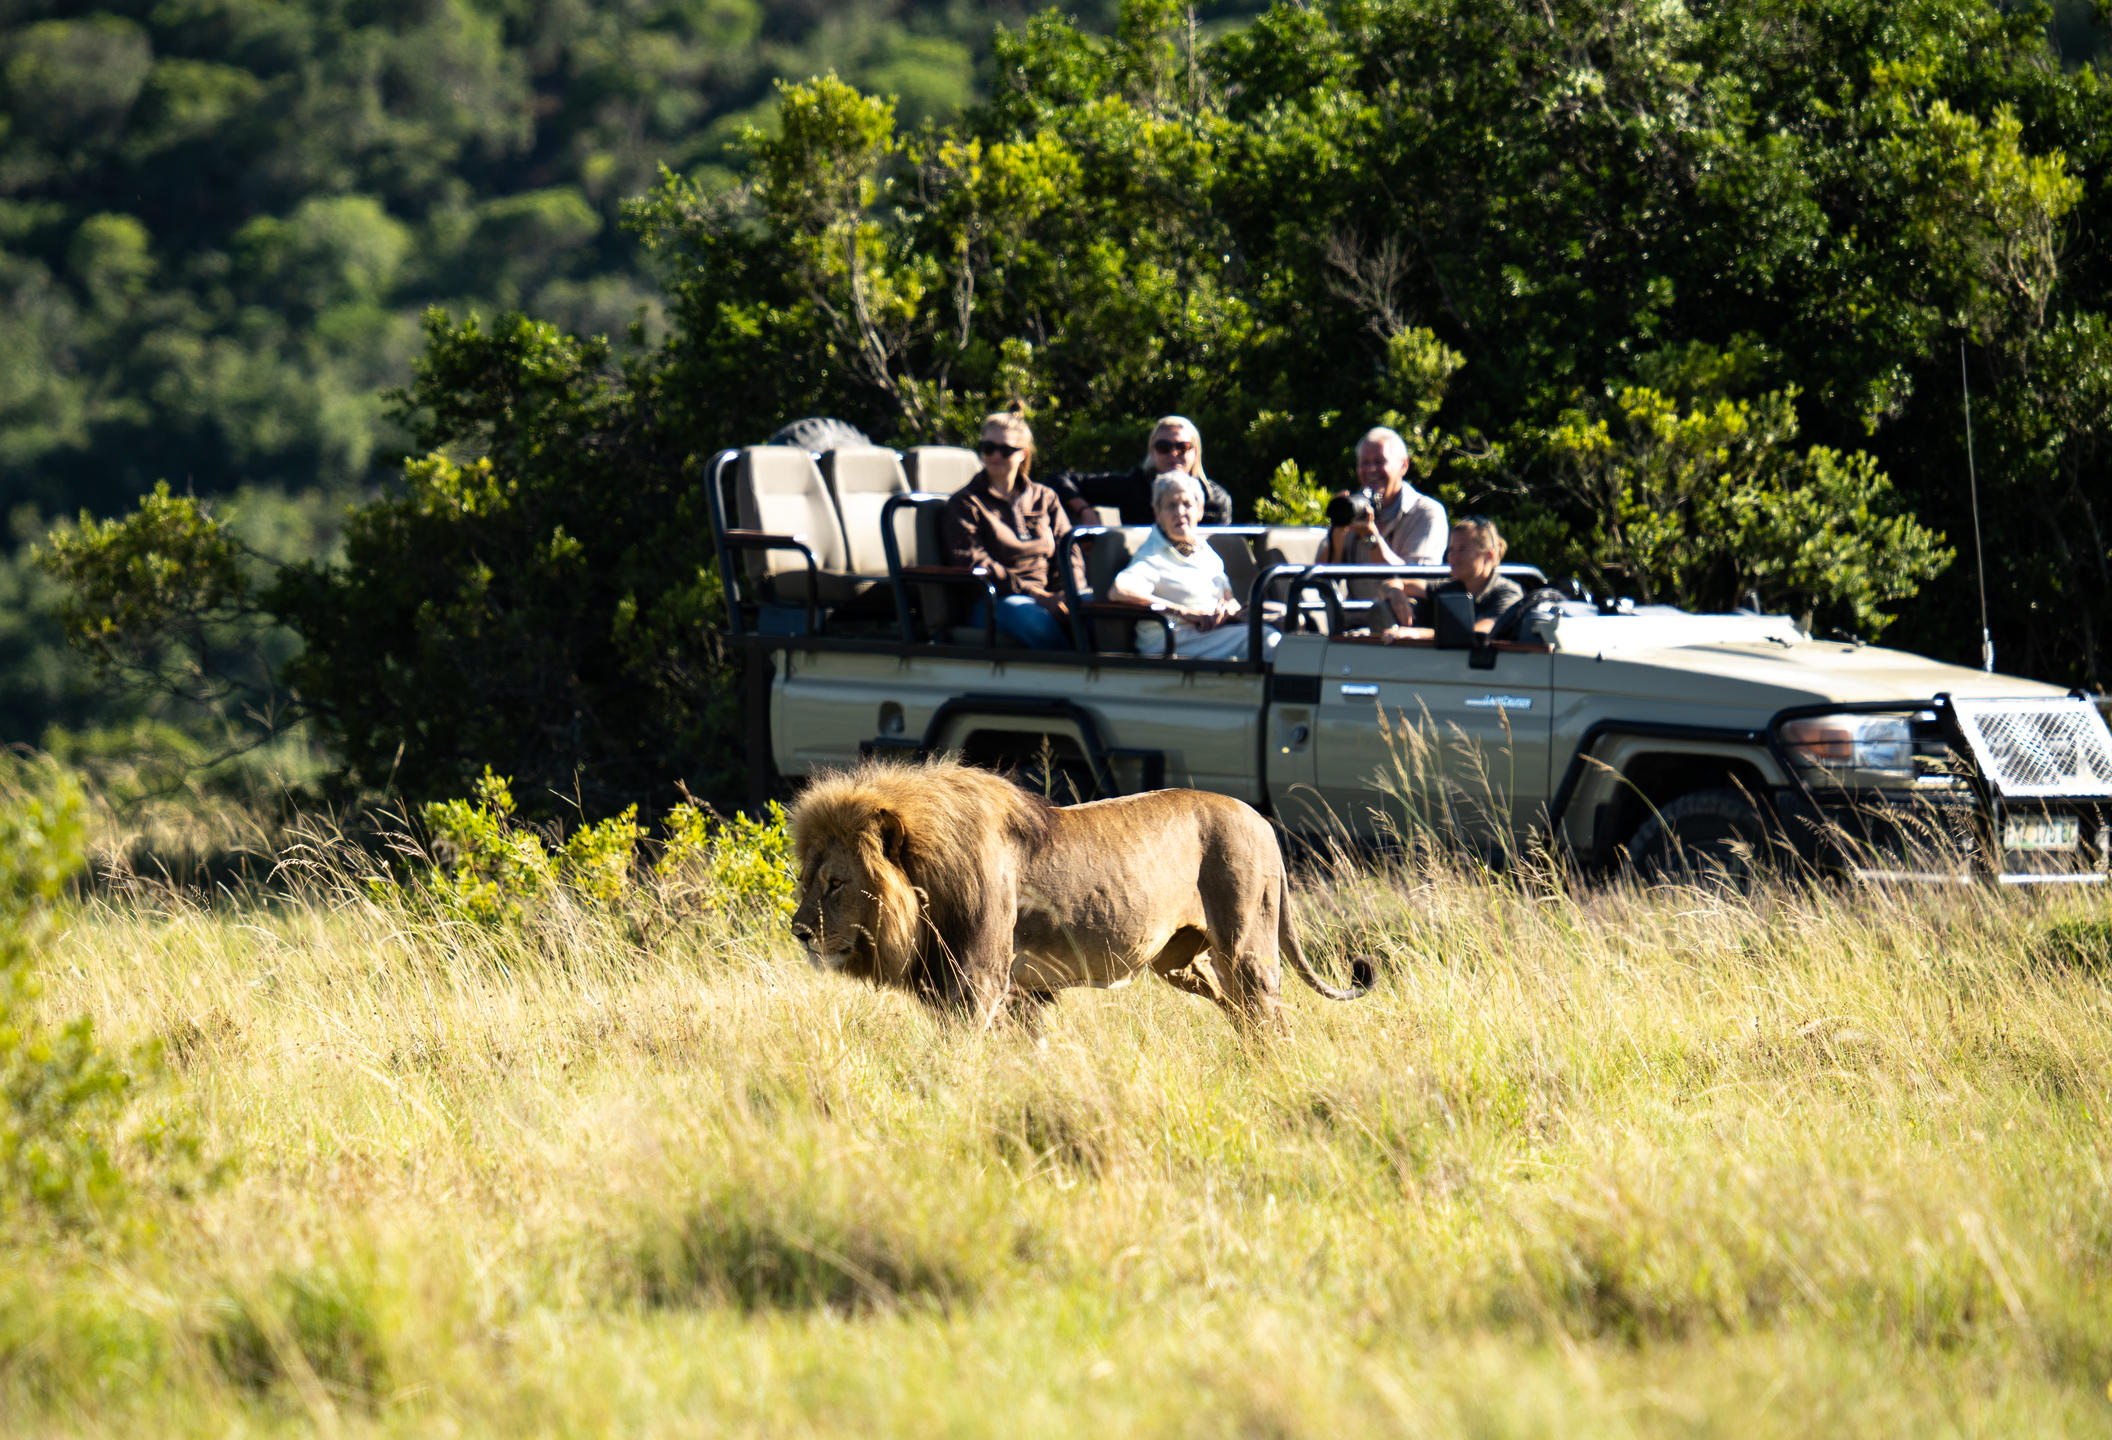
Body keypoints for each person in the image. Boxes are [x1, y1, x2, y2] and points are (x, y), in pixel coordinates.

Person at [940, 411, 1085, 650]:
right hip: (994, 600)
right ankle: (1078, 679)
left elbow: (1069, 550)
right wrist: (1037, 595)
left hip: (1050, 593)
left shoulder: (1045, 497)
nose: (995, 455)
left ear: (1023, 455)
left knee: (1097, 615)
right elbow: (973, 561)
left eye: (1005, 450)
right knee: (1035, 622)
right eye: (988, 448)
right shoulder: (965, 503)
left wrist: (1069, 592)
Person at [1107, 473, 1276, 661]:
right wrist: (1183, 612)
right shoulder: (1152, 554)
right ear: (1157, 513)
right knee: (1267, 640)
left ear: (1200, 510)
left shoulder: (1203, 550)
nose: (1180, 512)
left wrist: (1228, 608)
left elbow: (1229, 598)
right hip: (1171, 641)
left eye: (1187, 504)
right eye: (1171, 505)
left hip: (1212, 634)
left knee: (1289, 631)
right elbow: (1119, 591)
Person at [1319, 426, 1449, 624]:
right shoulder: (1353, 508)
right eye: (1365, 463)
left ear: (1403, 466)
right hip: (1354, 622)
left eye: (1379, 462)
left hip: (1403, 625)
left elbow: (1414, 580)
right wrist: (1338, 529)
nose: (1371, 470)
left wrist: (1371, 537)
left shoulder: (1427, 512)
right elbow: (1322, 578)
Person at [1048, 415, 1234, 527]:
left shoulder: (1216, 499)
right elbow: (1059, 480)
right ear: (1152, 452)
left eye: (1183, 447)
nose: (1173, 454)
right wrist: (1084, 510)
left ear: (1195, 452)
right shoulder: (1134, 486)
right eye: (1163, 447)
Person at [1384, 515, 1524, 641]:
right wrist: (1395, 593)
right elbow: (1390, 584)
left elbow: (1477, 633)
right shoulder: (1451, 587)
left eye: (1462, 549)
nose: (1452, 557)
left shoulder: (1508, 594)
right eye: (1451, 550)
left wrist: (1418, 634)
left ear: (1488, 556)